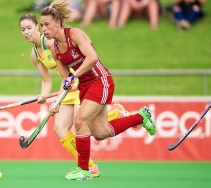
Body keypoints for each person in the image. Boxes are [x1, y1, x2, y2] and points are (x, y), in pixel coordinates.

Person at [40, 0, 155, 180]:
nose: (44, 29)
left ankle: (84, 169)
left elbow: (92, 57)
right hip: (85, 86)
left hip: (101, 80)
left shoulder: (75, 34)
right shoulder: (55, 49)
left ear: (58, 22)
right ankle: (140, 117)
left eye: (47, 25)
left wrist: (74, 76)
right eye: (41, 25)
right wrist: (57, 102)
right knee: (101, 133)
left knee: (79, 121)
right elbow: (65, 79)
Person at [18, 13, 131, 178]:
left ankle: (115, 113)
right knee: (60, 129)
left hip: (79, 81)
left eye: (29, 27)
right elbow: (46, 80)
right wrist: (44, 96)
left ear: (37, 26)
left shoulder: (50, 41)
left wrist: (69, 84)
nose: (26, 32)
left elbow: (74, 59)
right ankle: (90, 166)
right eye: (22, 30)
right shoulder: (34, 55)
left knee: (83, 125)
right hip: (67, 85)